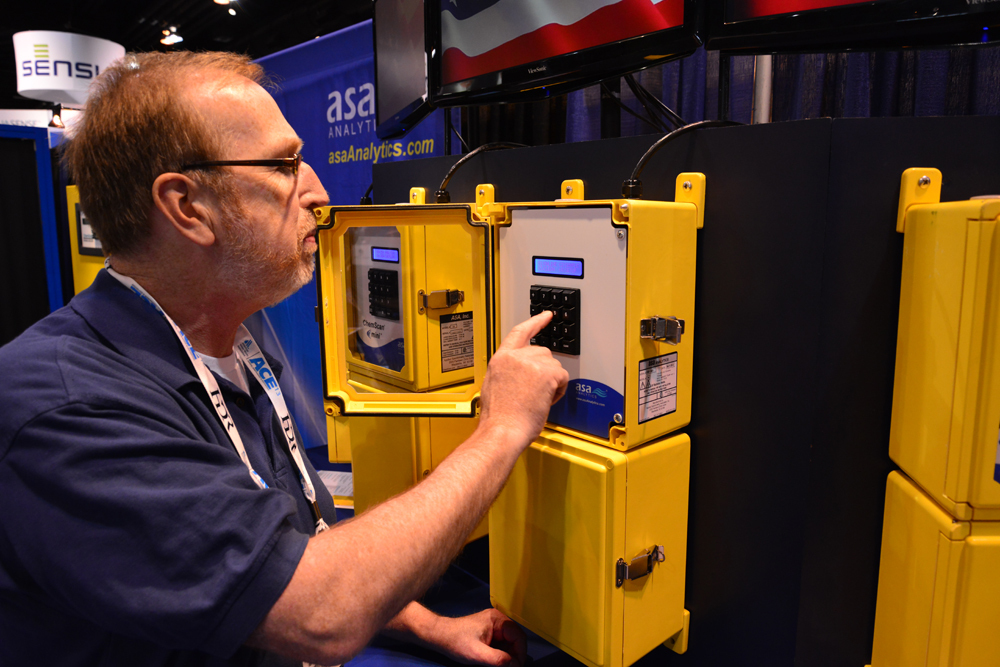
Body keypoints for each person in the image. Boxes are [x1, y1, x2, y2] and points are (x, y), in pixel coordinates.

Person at [0, 51, 568, 667]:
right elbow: (314, 609)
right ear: (186, 206)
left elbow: (275, 554)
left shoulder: (228, 347)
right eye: (283, 166)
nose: (318, 193)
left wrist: (427, 625)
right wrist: (503, 426)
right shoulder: (64, 408)